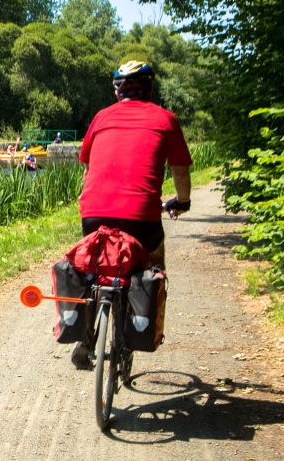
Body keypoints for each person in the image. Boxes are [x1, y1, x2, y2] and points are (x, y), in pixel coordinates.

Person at [70, 60, 192, 369]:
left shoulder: (101, 118)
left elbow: (87, 168)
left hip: (93, 213)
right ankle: (139, 324)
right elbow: (180, 171)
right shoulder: (166, 119)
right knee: (151, 262)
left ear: (117, 92)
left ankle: (86, 335)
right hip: (141, 218)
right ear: (150, 90)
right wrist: (182, 201)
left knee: (98, 266)